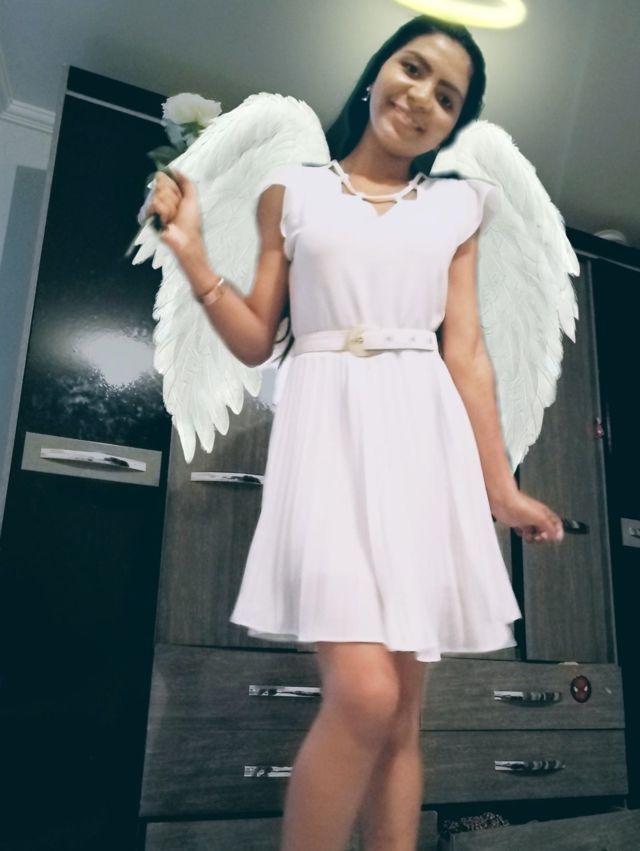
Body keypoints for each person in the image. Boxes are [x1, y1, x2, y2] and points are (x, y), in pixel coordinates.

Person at [143, 13, 565, 851]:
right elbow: (257, 337)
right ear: (378, 71)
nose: (422, 97)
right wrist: (191, 253)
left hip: (423, 438)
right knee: (366, 696)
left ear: (454, 122)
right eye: (413, 69)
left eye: (448, 97)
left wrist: (501, 488)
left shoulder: (457, 208)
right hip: (326, 434)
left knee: (403, 716)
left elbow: (467, 353)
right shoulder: (292, 192)